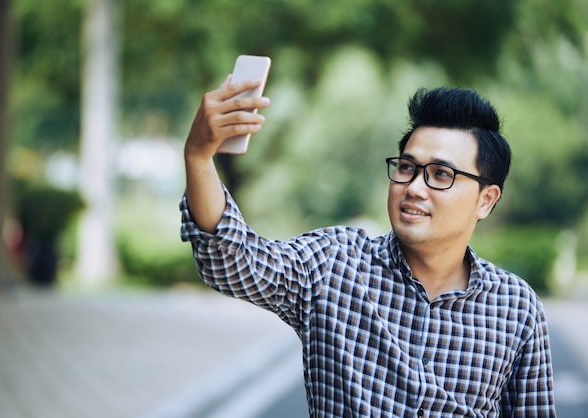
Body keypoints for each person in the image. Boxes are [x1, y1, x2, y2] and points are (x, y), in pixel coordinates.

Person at [180, 76, 556, 417]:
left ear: (486, 200)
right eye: (406, 167)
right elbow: (235, 263)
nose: (414, 187)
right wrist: (198, 157)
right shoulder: (334, 264)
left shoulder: (515, 307)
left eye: (441, 174)